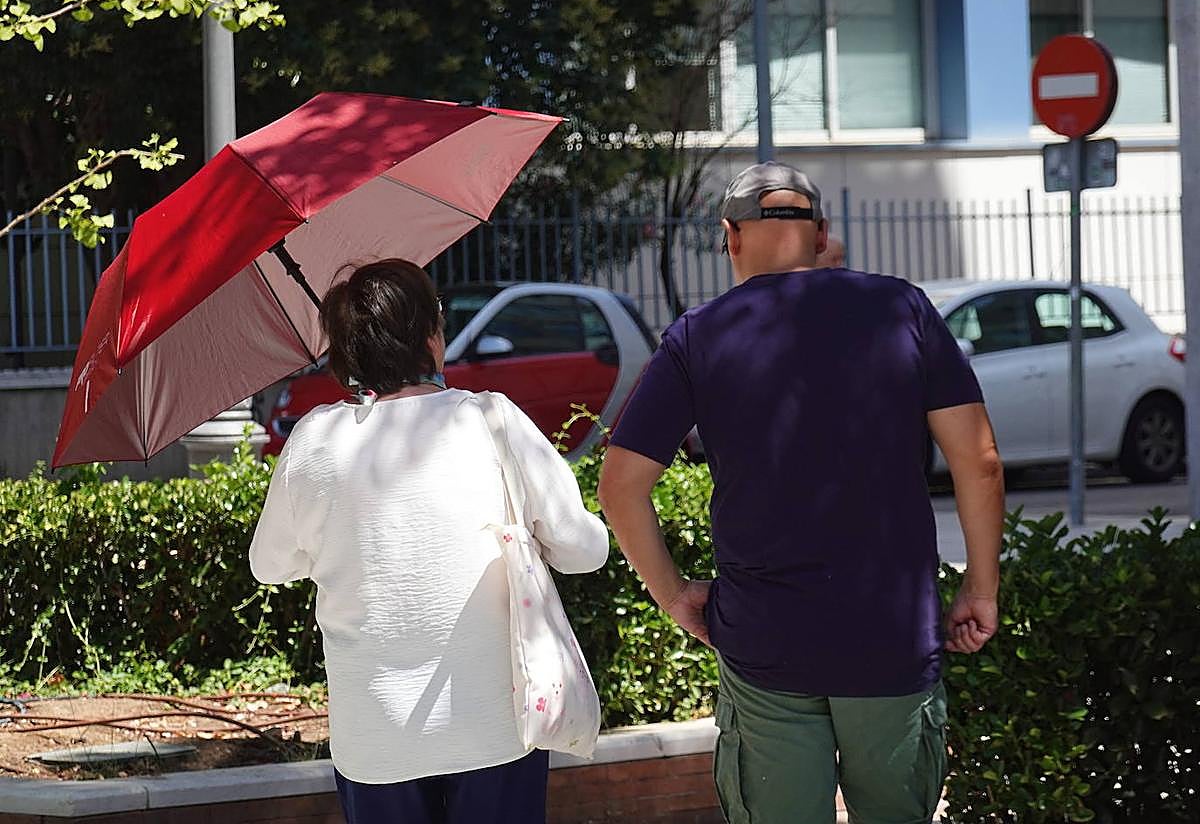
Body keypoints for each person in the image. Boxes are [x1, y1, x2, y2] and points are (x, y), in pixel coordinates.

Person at [597, 162, 1003, 824]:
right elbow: (979, 462)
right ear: (820, 233)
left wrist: (674, 596)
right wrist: (979, 589)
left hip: (765, 641)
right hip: (891, 636)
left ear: (731, 236)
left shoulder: (698, 335)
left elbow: (620, 487)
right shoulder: (903, 309)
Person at [250, 259, 609, 824]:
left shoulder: (312, 442)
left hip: (374, 739)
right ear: (430, 339)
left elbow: (269, 565)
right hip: (496, 727)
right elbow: (584, 551)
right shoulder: (490, 420)